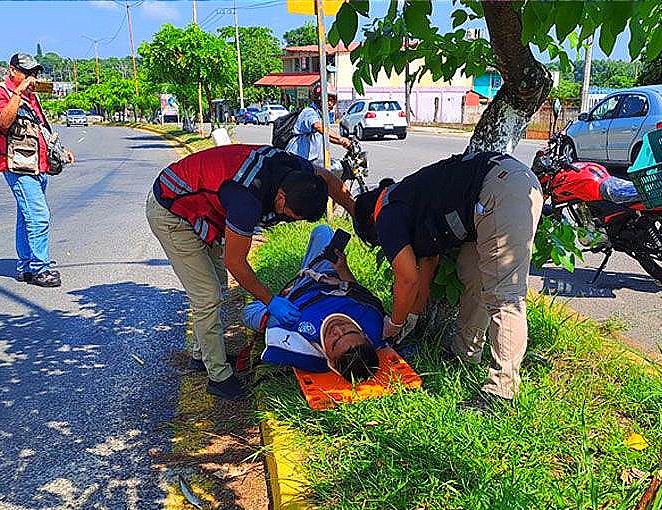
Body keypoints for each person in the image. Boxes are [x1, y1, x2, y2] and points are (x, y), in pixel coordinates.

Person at [146, 144, 355, 400]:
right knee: (207, 296)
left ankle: (203, 356)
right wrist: (271, 301)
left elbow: (329, 179)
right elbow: (236, 262)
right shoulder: (247, 198)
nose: (290, 221)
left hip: (203, 203)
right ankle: (219, 378)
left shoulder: (300, 172)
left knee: (217, 284)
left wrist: (356, 212)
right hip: (172, 210)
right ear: (280, 197)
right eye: (290, 216)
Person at [353, 152, 543, 414]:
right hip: (498, 190)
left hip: (500, 190)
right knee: (473, 277)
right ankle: (464, 355)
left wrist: (394, 323)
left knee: (504, 295)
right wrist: (413, 318)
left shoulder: (386, 213)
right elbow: (426, 267)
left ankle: (502, 392)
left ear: (370, 225)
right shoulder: (409, 198)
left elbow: (406, 278)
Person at [242, 225, 383, 382]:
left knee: (249, 313)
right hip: (324, 276)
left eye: (335, 340)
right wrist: (343, 269)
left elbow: (274, 339)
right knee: (323, 231)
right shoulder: (373, 322)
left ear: (330, 360)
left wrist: (275, 303)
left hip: (294, 299)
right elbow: (357, 291)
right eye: (348, 331)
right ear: (365, 336)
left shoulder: (307, 354)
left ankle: (288, 292)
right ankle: (303, 277)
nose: (336, 329)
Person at [0, 53, 74, 287]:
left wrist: (61, 151)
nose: (31, 77)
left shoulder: (32, 98)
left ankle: (26, 267)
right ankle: (39, 269)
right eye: (26, 72)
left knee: (26, 218)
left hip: (37, 165)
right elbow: (2, 122)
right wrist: (18, 93)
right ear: (12, 70)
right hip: (17, 166)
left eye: (34, 73)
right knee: (39, 217)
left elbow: (42, 129)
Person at [285, 84, 351, 166]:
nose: (330, 103)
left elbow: (327, 136)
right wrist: (340, 138)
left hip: (310, 161)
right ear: (319, 100)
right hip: (296, 161)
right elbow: (318, 127)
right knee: (329, 176)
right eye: (328, 100)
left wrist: (345, 144)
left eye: (332, 100)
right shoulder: (309, 112)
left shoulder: (321, 115)